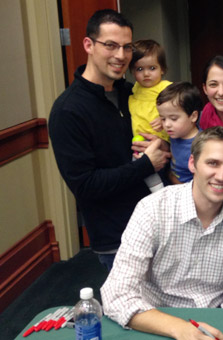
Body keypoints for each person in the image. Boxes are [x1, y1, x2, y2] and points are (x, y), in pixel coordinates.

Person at [101, 126, 223, 340]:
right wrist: (180, 329)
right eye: (212, 163)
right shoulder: (153, 209)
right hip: (154, 322)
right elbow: (116, 295)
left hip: (217, 325)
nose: (222, 176)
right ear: (192, 164)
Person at [48, 9, 169, 270]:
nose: (121, 55)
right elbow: (86, 186)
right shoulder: (68, 111)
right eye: (111, 45)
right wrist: (146, 165)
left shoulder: (133, 93)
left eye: (127, 47)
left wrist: (165, 146)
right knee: (132, 310)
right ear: (88, 45)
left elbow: (165, 146)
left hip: (159, 225)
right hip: (118, 238)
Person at [157, 82, 203, 184]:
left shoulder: (201, 145)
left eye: (173, 118)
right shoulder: (176, 132)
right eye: (163, 119)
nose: (167, 124)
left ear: (193, 116)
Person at [129, 39, 172, 141]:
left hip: (163, 139)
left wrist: (165, 119)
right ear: (132, 72)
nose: (146, 74)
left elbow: (181, 110)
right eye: (139, 69)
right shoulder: (134, 89)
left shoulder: (167, 88)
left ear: (162, 69)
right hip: (138, 141)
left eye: (152, 68)